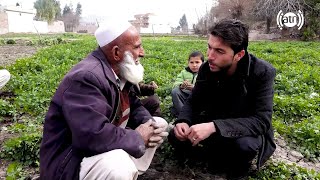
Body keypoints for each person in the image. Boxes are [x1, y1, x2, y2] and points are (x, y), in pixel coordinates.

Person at [40, 19, 168, 180]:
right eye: (136, 47)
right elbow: (91, 135)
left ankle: (131, 171)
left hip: (95, 150)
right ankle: (118, 172)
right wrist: (138, 137)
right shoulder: (86, 78)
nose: (142, 52)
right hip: (69, 163)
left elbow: (133, 105)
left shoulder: (119, 70)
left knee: (158, 124)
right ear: (116, 53)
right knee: (117, 166)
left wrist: (148, 123)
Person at [168, 19, 276, 179]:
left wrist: (214, 127)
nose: (210, 56)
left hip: (242, 129)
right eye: (209, 47)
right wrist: (183, 120)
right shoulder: (206, 69)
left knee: (245, 146)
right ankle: (206, 158)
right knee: (175, 136)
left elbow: (262, 121)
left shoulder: (262, 72)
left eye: (219, 51)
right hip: (214, 118)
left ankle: (236, 169)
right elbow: (193, 101)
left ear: (239, 55)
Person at [171, 51, 204, 117]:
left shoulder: (205, 72)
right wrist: (181, 85)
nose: (194, 65)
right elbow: (176, 83)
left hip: (199, 97)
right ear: (188, 63)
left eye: (197, 62)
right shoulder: (184, 72)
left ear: (202, 63)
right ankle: (183, 115)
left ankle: (197, 114)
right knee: (175, 91)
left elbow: (207, 88)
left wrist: (194, 88)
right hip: (186, 95)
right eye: (191, 62)